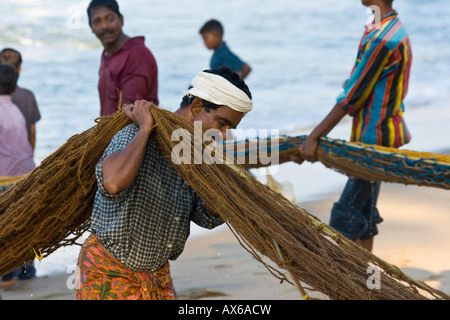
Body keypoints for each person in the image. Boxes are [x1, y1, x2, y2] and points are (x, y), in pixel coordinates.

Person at [75, 67, 253, 300]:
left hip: (156, 276)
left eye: (229, 128)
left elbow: (206, 217)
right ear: (198, 106)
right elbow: (113, 183)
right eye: (221, 123)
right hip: (108, 272)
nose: (224, 134)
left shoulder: (197, 156)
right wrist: (145, 129)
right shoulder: (135, 134)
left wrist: (219, 181)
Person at [294, 0, 412, 252]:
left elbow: (352, 98)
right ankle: (367, 285)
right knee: (364, 215)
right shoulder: (389, 28)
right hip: (379, 136)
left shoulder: (382, 39)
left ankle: (348, 284)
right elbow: (370, 82)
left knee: (344, 217)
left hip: (373, 141)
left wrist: (313, 137)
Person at [87, 0, 159, 116]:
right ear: (91, 27)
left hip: (133, 132)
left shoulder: (136, 54)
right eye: (97, 21)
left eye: (110, 19)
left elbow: (131, 111)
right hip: (110, 131)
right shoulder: (106, 53)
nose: (104, 26)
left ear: (121, 20)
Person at [0, 64, 37, 288]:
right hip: (25, 174)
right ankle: (25, 269)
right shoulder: (14, 110)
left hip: (4, 179)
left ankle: (7, 274)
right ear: (15, 87)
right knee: (21, 224)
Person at [0, 48, 41, 152]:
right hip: (22, 156)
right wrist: (30, 155)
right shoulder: (28, 96)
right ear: (20, 70)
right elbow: (32, 131)